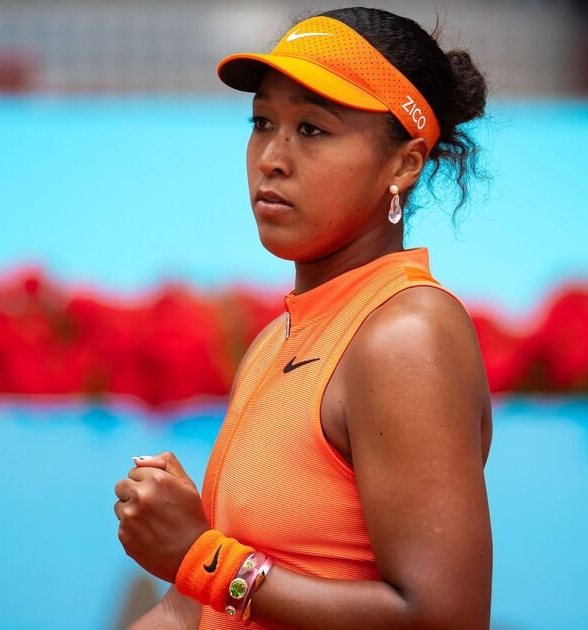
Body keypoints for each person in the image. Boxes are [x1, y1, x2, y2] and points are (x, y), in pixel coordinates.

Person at [113, 7, 493, 628]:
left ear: (403, 165)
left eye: (312, 129)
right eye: (262, 122)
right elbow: (191, 609)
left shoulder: (405, 334)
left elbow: (445, 617)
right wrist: (197, 564)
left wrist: (203, 558)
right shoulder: (275, 341)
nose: (272, 157)